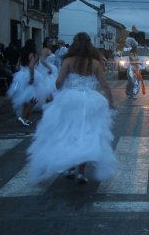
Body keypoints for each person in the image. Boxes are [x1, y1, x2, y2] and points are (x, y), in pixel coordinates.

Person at [27, 32, 117, 184]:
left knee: (68, 132)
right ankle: (81, 173)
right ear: (90, 45)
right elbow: (104, 85)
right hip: (90, 102)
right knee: (86, 134)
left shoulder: (68, 60)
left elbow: (59, 82)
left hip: (70, 100)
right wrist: (111, 102)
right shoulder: (95, 63)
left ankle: (68, 166)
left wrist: (63, 86)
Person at [6, 39, 41, 126]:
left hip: (21, 75)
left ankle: (25, 118)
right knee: (33, 100)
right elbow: (31, 65)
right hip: (29, 75)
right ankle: (24, 118)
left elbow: (17, 66)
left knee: (26, 99)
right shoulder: (33, 54)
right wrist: (32, 78)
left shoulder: (22, 54)